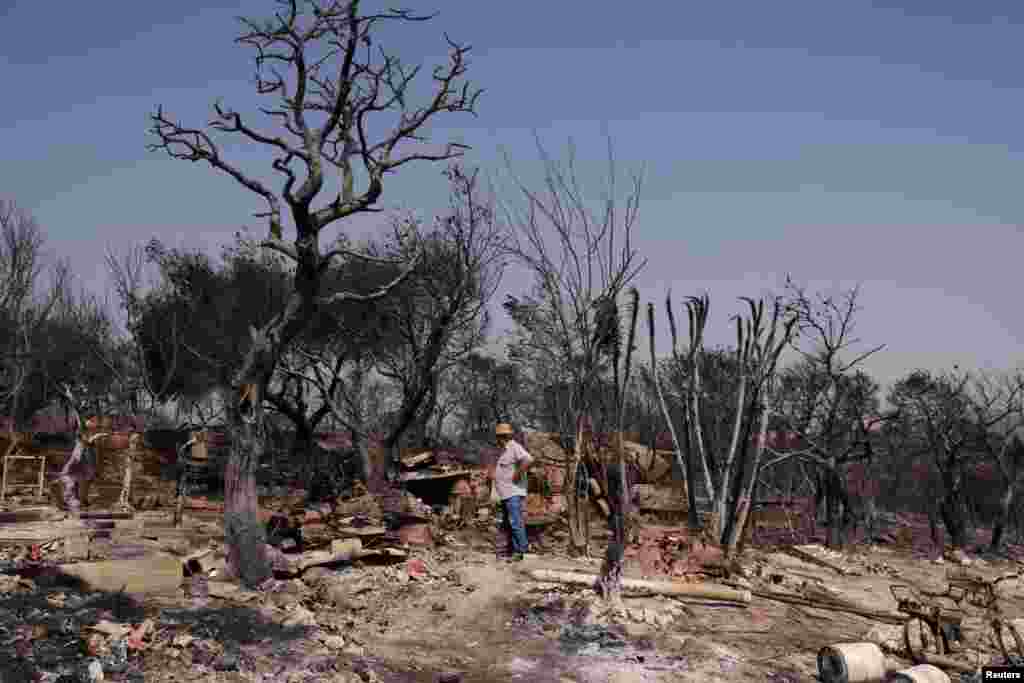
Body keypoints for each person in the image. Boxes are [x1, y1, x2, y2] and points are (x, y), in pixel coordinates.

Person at [492, 422, 533, 562]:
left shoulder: (514, 447)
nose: (497, 440)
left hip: (513, 493)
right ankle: (512, 551)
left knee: (515, 522)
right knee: (508, 523)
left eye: (498, 437)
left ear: (501, 437)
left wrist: (517, 474)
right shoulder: (505, 450)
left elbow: (528, 460)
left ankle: (522, 550)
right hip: (506, 493)